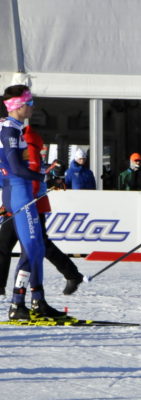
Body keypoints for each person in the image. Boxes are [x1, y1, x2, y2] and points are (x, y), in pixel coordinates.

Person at [0, 84, 65, 319]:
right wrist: (41, 176)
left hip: (24, 192)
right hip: (20, 194)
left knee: (35, 249)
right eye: (29, 103)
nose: (32, 107)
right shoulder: (9, 130)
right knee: (33, 248)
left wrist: (42, 176)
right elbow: (16, 168)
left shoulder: (15, 128)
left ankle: (36, 300)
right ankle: (18, 304)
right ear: (17, 106)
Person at [0, 125, 85, 298]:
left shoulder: (28, 148)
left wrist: (17, 203)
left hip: (30, 207)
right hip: (19, 206)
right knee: (4, 245)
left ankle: (72, 275)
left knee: (39, 246)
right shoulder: (24, 147)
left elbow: (32, 181)